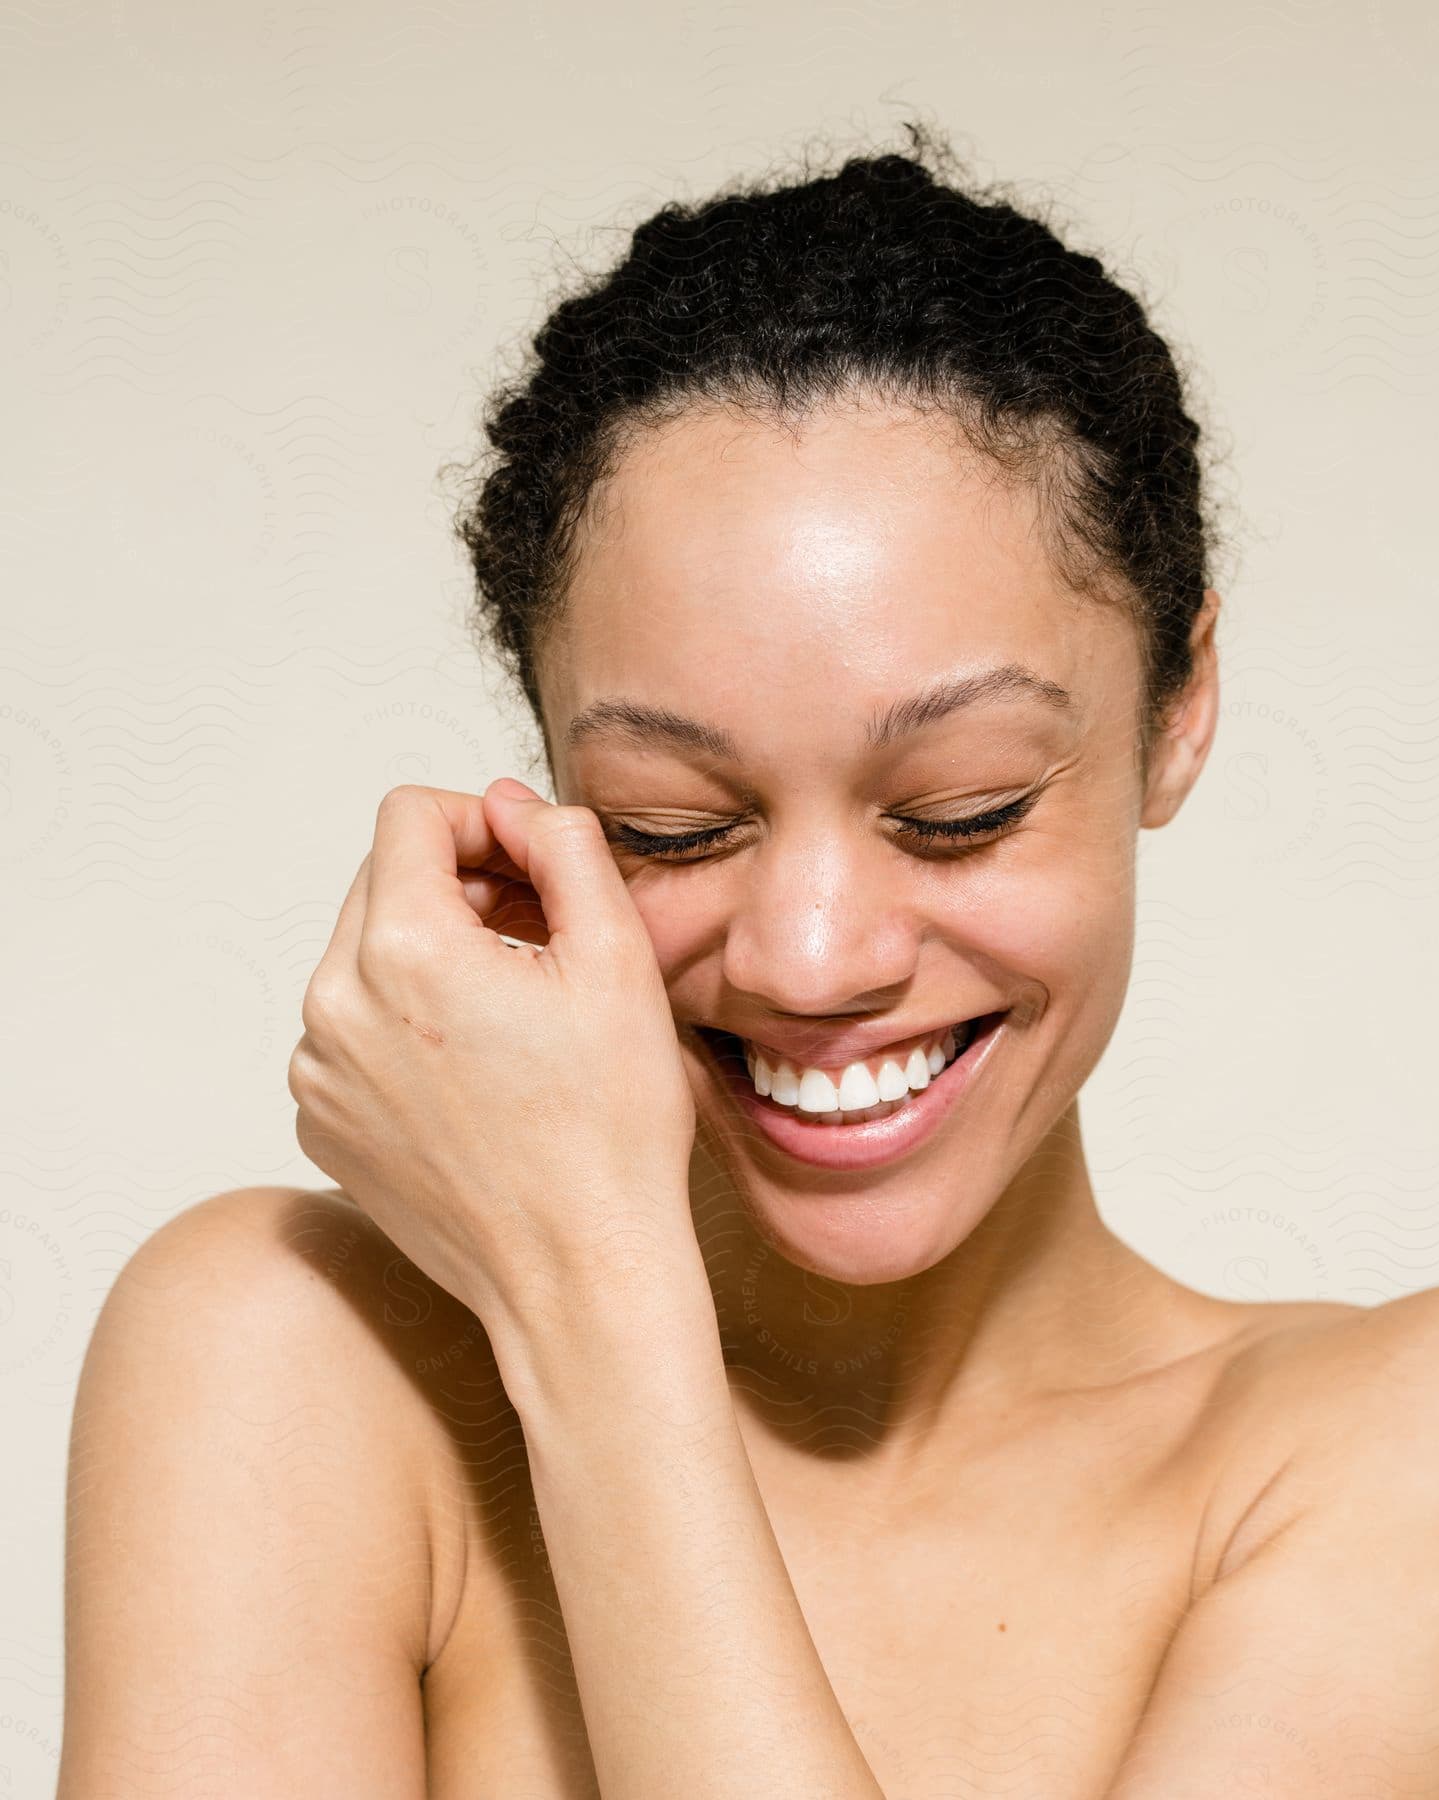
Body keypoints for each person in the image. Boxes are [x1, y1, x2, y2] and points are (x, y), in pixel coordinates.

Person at [58, 123, 1439, 1798]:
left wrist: (592, 1310)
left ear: (1180, 707)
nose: (810, 958)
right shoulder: (289, 1366)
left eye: (959, 807)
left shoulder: (1386, 1454)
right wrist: (594, 1274)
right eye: (670, 823)